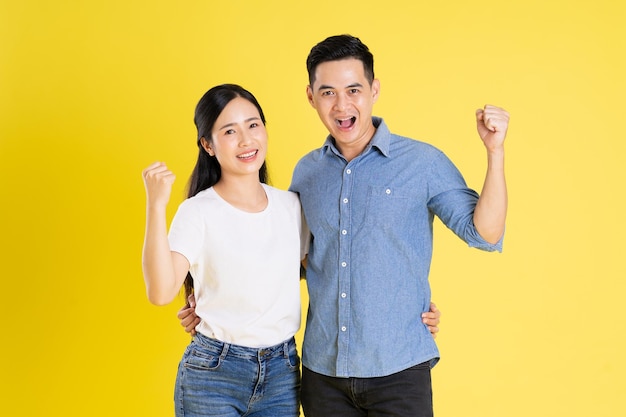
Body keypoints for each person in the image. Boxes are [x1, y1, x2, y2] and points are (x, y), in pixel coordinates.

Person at [289, 34, 509, 417]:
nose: (342, 105)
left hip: (399, 370)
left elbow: (484, 233)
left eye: (354, 89)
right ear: (311, 97)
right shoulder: (307, 172)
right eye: (328, 93)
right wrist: (208, 303)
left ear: (374, 90)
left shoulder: (421, 163)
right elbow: (291, 263)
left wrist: (495, 152)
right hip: (323, 374)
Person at [141, 84, 308, 417]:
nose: (246, 140)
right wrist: (156, 205)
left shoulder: (291, 207)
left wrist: (408, 307)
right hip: (213, 374)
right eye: (229, 131)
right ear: (208, 145)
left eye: (253, 124)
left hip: (282, 373)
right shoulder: (197, 211)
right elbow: (160, 292)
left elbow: (327, 273)